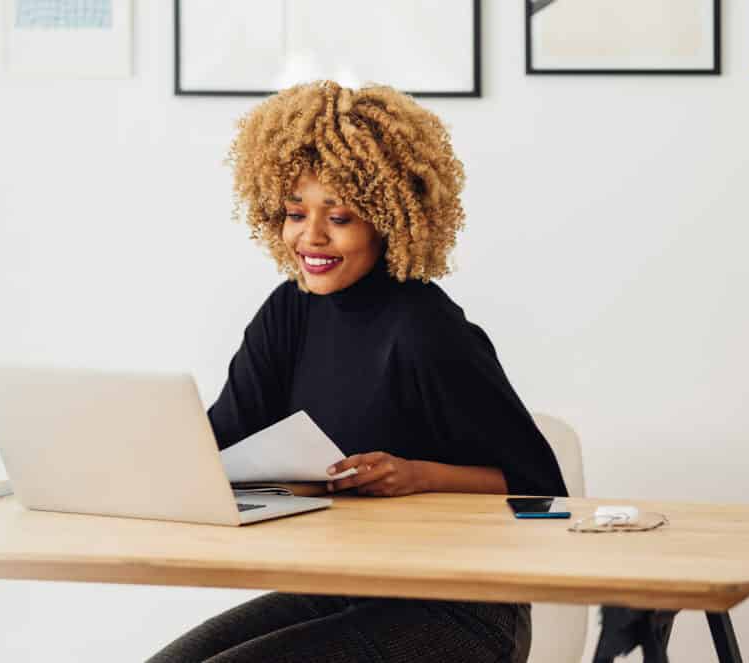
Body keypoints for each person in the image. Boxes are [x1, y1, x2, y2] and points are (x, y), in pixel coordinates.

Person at [146, 81, 567, 663]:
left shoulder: (426, 329)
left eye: (339, 217)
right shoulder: (290, 311)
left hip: (460, 608)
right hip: (339, 589)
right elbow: (220, 445)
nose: (310, 237)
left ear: (388, 219)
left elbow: (546, 496)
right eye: (296, 212)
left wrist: (419, 474)